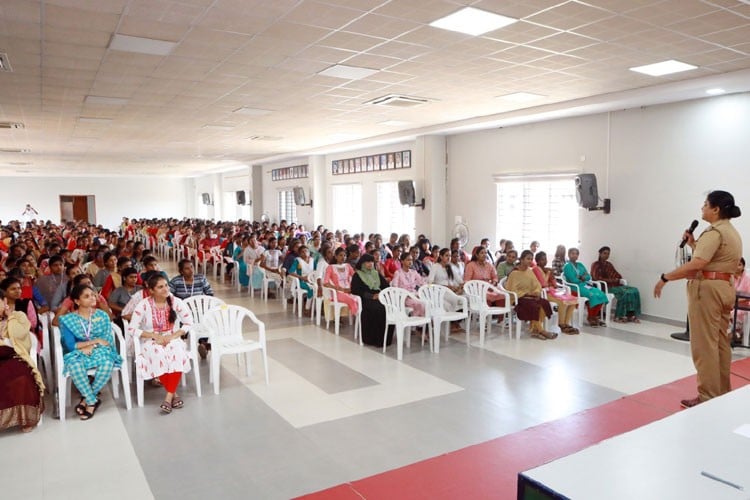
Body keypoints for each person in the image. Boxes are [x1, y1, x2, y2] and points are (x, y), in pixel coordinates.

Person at [653, 190, 742, 408]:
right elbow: (713, 259)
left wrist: (666, 277)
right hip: (724, 288)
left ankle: (708, 396)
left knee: (704, 346)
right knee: (720, 343)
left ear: (715, 209)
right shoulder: (730, 232)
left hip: (708, 290)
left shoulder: (714, 232)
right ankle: (721, 392)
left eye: (705, 204)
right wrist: (693, 243)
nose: (702, 208)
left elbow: (698, 264)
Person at [128, 274, 193, 414]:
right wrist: (153, 336)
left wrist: (172, 336)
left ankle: (168, 397)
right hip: (150, 339)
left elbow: (189, 322)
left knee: (177, 352)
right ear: (151, 290)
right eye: (160, 287)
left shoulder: (175, 301)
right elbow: (132, 329)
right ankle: (174, 395)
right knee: (158, 354)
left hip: (172, 336)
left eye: (166, 285)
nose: (165, 289)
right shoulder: (144, 305)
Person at [58, 284, 122, 420]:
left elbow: (106, 341)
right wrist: (90, 343)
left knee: (107, 362)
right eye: (86, 296)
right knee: (74, 364)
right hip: (79, 351)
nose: (92, 298)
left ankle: (87, 400)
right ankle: (92, 400)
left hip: (101, 350)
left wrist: (94, 345)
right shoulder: (68, 320)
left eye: (93, 295)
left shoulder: (102, 315)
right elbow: (70, 345)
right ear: (76, 301)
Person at [0, 288, 45, 432]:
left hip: (14, 356)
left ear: (4, 301)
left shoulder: (18, 316)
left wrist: (10, 317)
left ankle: (26, 418)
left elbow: (20, 337)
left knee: (21, 378)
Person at [505, 250, 556, 340]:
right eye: (528, 259)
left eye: (531, 259)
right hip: (519, 298)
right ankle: (541, 330)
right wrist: (527, 293)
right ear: (521, 259)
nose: (530, 261)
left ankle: (534, 330)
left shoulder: (529, 271)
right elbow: (511, 290)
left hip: (530, 297)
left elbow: (537, 285)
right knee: (534, 306)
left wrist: (536, 292)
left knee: (544, 303)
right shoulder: (514, 273)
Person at [350, 253, 392, 347]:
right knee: (378, 308)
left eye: (371, 262)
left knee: (389, 307)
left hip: (379, 296)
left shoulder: (376, 273)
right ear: (362, 263)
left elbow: (386, 286)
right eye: (367, 262)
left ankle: (386, 339)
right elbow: (355, 290)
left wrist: (383, 294)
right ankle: (373, 339)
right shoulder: (357, 275)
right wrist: (371, 296)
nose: (370, 264)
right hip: (365, 299)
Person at [591, 246, 642, 323]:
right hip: (604, 287)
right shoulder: (595, 264)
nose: (606, 255)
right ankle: (619, 316)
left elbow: (617, 275)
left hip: (614, 285)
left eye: (608, 254)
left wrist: (617, 280)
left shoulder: (609, 264)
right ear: (600, 254)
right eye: (604, 253)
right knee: (625, 292)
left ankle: (631, 315)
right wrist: (612, 280)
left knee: (634, 290)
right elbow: (596, 278)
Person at [532, 251, 579, 334]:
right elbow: (543, 284)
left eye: (545, 259)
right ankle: (561, 324)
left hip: (553, 291)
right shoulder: (536, 269)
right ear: (537, 261)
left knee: (573, 301)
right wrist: (548, 273)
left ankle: (566, 323)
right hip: (544, 293)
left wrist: (552, 275)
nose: (545, 261)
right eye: (542, 260)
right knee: (562, 302)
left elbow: (555, 285)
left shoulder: (546, 269)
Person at [563, 248, 609, 327]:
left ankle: (594, 316)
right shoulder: (567, 266)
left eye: (576, 254)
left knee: (601, 294)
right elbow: (573, 280)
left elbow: (588, 276)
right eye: (572, 253)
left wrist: (581, 277)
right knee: (592, 295)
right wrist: (582, 277)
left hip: (584, 285)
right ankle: (590, 317)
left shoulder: (580, 265)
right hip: (574, 288)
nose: (574, 255)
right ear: (569, 255)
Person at [390, 251, 426, 316]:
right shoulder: (398, 273)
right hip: (404, 297)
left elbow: (422, 282)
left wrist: (428, 286)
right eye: (408, 260)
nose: (410, 262)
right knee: (421, 304)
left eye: (411, 260)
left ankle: (421, 323)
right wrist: (404, 294)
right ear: (402, 261)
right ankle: (415, 323)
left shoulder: (413, 272)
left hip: (414, 295)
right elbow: (394, 287)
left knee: (428, 303)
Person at [731, 257, 750, 343]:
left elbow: (748, 296)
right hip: (731, 303)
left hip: (744, 305)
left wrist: (735, 301)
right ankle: (734, 333)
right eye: (735, 265)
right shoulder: (730, 277)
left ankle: (737, 333)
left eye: (739, 265)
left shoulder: (747, 279)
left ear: (743, 266)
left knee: (732, 313)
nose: (737, 267)